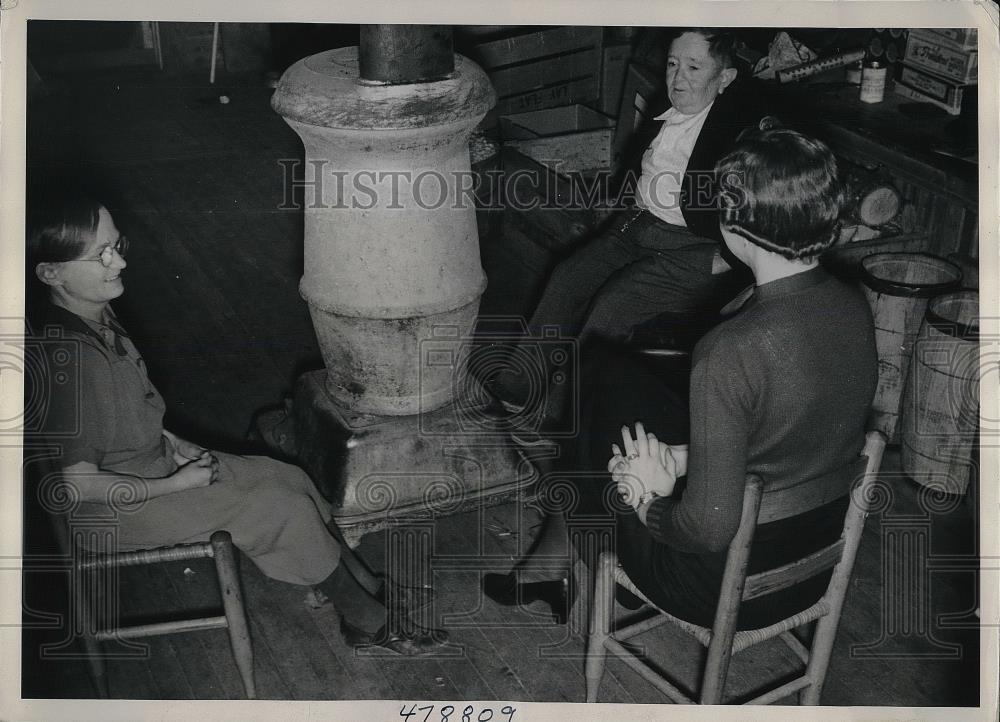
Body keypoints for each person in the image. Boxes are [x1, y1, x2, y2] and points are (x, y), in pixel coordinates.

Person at [483, 127, 878, 631]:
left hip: (709, 585)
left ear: (732, 221)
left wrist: (649, 499)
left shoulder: (729, 349)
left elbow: (706, 529)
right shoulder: (851, 304)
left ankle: (572, 558)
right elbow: (792, 437)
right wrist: (681, 458)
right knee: (611, 376)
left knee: (592, 419)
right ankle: (563, 557)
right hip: (808, 564)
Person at [27, 192, 447, 656]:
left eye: (116, 246)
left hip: (153, 465)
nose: (118, 263)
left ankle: (364, 584)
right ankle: (368, 621)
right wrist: (178, 485)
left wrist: (176, 442)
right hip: (113, 512)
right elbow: (78, 485)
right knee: (275, 508)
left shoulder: (93, 313)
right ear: (51, 273)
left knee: (288, 477)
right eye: (99, 255)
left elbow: (130, 408)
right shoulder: (72, 364)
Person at [489, 28, 769, 430]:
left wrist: (728, 257)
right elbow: (641, 165)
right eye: (673, 64)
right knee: (568, 278)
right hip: (635, 226)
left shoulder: (741, 133)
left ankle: (559, 416)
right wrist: (618, 199)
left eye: (693, 67)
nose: (677, 78)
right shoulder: (667, 108)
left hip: (693, 249)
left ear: (723, 79)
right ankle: (516, 387)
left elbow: (762, 203)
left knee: (612, 307)